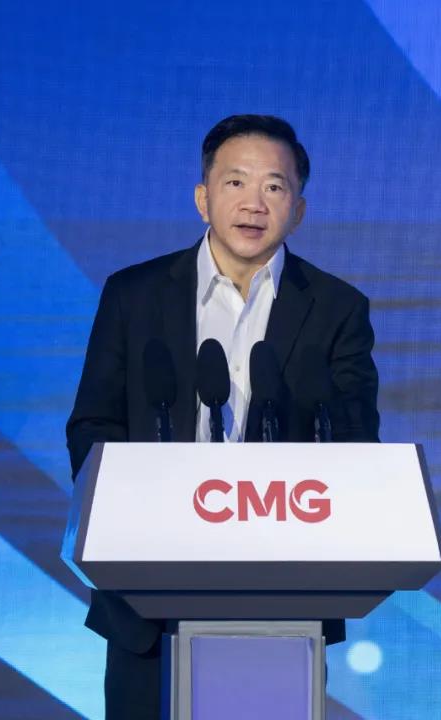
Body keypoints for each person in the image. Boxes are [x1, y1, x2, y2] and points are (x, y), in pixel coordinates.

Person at [66, 114, 380, 719]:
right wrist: (130, 518)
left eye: (274, 186)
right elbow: (93, 423)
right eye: (235, 182)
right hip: (146, 605)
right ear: (202, 197)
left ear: (298, 210)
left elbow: (355, 442)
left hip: (285, 603)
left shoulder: (337, 309)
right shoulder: (135, 295)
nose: (253, 203)